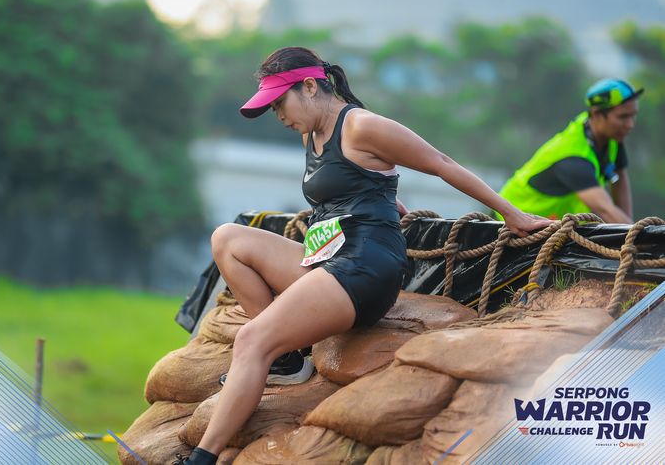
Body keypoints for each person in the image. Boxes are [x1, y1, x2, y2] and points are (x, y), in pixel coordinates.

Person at [173, 47, 549, 465]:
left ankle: (202, 458)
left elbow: (440, 163)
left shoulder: (362, 126)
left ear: (310, 86)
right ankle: (285, 360)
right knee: (227, 238)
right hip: (326, 262)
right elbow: (357, 181)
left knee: (250, 338)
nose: (278, 115)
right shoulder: (310, 132)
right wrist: (387, 198)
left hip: (365, 267)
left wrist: (511, 214)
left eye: (280, 103)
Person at [498, 79, 643, 223]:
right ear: (597, 114)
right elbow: (605, 210)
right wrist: (638, 234)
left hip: (548, 226)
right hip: (508, 221)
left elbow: (619, 178)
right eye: (623, 117)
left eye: (633, 115)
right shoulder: (573, 158)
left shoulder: (609, 136)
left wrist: (631, 230)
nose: (630, 124)